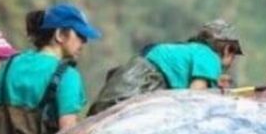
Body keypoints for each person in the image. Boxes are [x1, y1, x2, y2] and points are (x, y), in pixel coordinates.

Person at [0, 3, 101, 134]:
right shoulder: (67, 76)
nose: (84, 41)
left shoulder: (10, 64)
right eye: (80, 35)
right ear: (60, 34)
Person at [88, 19, 243, 116]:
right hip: (140, 83)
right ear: (227, 49)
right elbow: (195, 97)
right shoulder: (209, 57)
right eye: (234, 53)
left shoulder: (190, 50)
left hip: (128, 76)